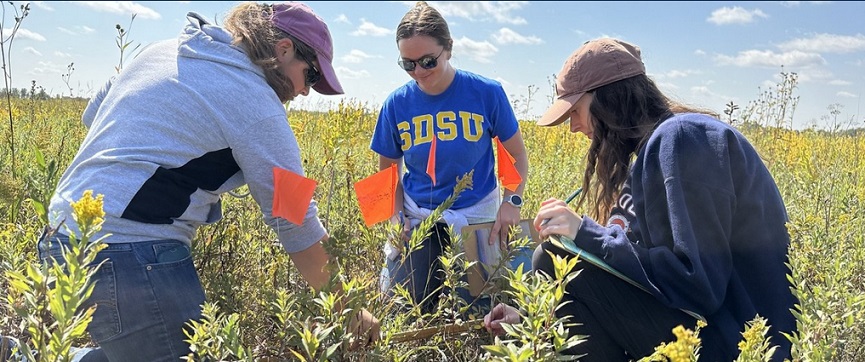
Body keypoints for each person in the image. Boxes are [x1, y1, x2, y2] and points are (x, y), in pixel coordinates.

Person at [32, 2, 379, 361]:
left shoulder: (160, 51)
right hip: (130, 255)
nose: (306, 92)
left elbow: (94, 115)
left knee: (138, 348)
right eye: (310, 76)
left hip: (60, 237)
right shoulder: (255, 101)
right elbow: (293, 216)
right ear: (284, 50)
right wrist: (349, 306)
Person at [483, 38, 797, 361]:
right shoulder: (654, 154)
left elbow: (700, 285)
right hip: (711, 333)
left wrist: (587, 235)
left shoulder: (683, 139)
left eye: (575, 111)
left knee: (552, 256)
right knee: (555, 262)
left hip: (742, 345)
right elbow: (625, 285)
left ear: (609, 98)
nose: (574, 127)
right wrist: (532, 320)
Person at [371, 1, 530, 314]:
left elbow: (517, 155)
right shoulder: (395, 105)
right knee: (401, 309)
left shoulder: (486, 92)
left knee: (485, 312)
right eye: (408, 64)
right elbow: (385, 174)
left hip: (477, 217)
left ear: (449, 49)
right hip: (419, 217)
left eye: (428, 61)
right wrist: (393, 217)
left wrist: (512, 202)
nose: (419, 72)